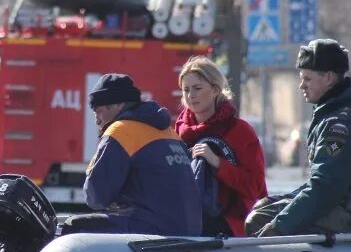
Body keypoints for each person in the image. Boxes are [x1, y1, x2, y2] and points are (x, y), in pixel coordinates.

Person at [245, 39, 351, 237]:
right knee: (266, 205)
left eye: (307, 79)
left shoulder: (340, 124)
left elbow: (325, 186)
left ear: (328, 78)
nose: (302, 86)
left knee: (260, 219)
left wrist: (279, 226)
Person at [60, 73, 201, 236]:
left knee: (73, 226)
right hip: (191, 232)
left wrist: (116, 198)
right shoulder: (170, 133)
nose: (97, 120)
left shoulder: (121, 131)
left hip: (154, 230)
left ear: (119, 105)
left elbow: (96, 196)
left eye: (99, 111)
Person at [174, 56, 267, 237]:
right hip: (187, 220)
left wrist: (217, 163)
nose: (190, 95)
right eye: (185, 90)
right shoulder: (179, 130)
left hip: (231, 224)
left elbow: (256, 187)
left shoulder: (240, 130)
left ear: (216, 90)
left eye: (197, 88)